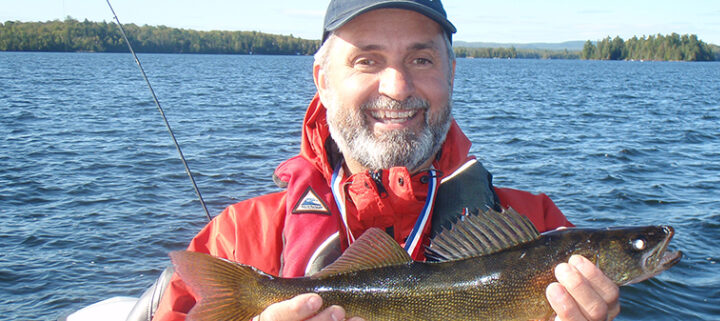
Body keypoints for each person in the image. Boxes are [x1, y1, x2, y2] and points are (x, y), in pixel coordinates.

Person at [153, 1, 620, 320]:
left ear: (451, 74)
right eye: (366, 61)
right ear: (322, 79)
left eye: (421, 60)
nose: (397, 88)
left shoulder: (542, 229)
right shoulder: (233, 242)